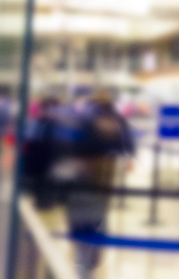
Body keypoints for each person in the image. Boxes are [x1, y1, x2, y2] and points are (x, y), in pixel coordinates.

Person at [60, 92, 135, 279]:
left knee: (82, 205)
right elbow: (127, 142)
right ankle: (93, 254)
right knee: (100, 206)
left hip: (84, 167)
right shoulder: (117, 118)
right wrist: (128, 157)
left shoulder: (85, 117)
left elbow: (72, 142)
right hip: (107, 167)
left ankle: (83, 255)